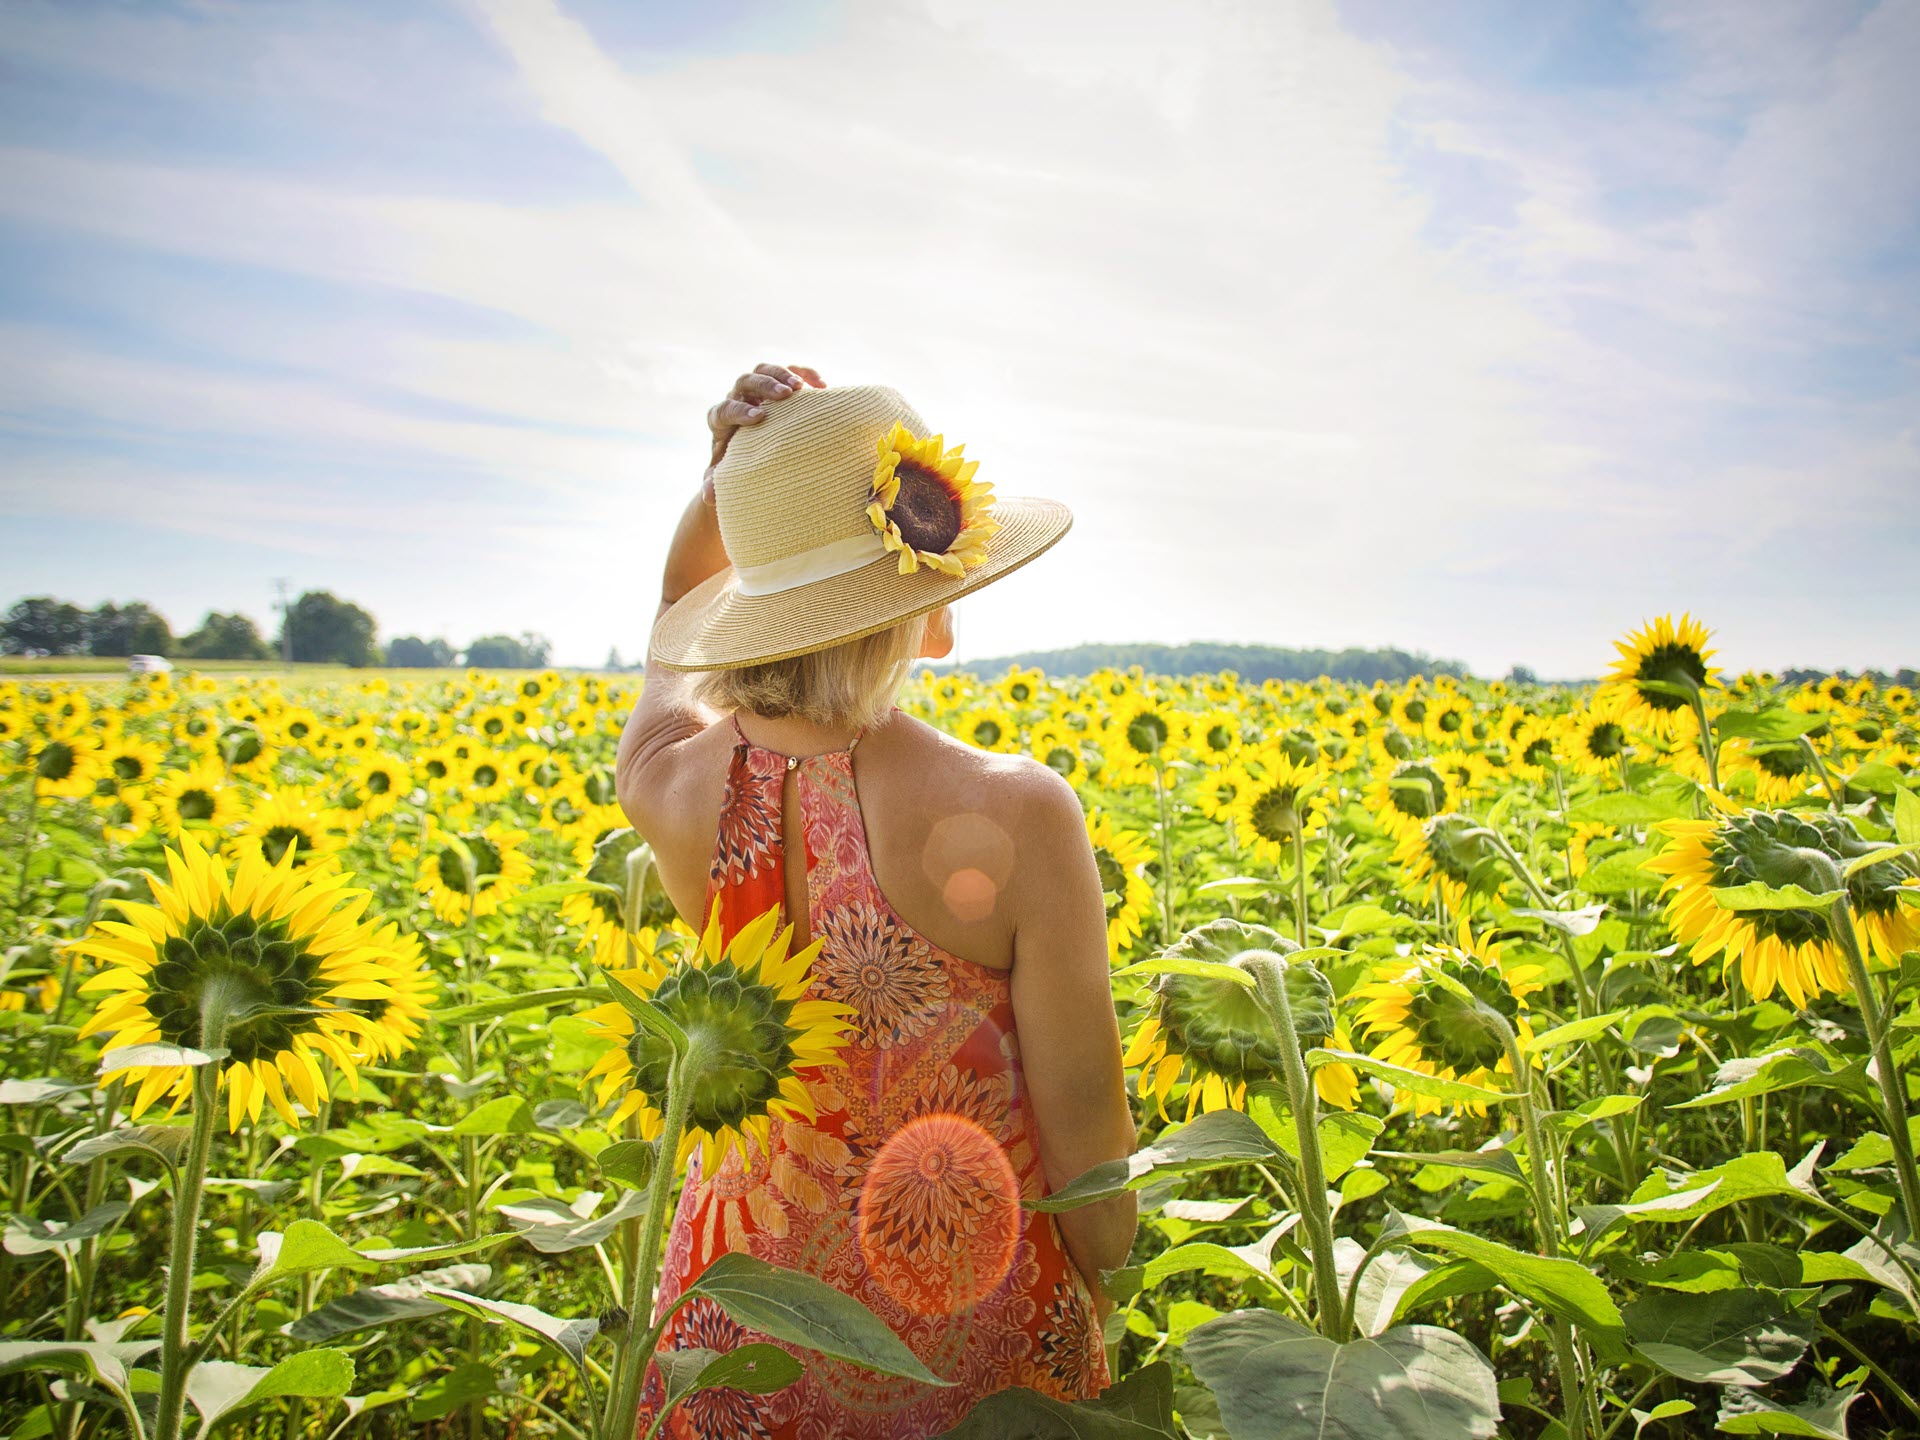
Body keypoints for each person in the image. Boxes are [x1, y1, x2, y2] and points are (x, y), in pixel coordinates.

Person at [615, 363, 1137, 1438]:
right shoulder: (1020, 811)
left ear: (748, 604)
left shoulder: (671, 786)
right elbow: (1085, 1121)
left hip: (736, 1331)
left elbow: (672, 624)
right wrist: (1108, 1298)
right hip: (969, 1329)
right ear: (926, 608)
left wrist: (727, 489)